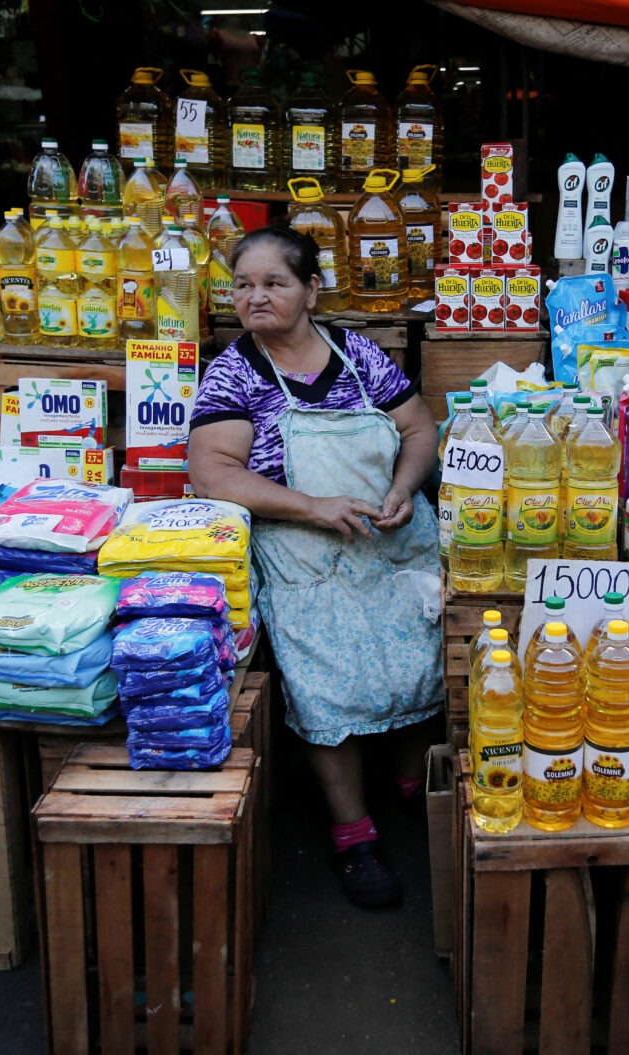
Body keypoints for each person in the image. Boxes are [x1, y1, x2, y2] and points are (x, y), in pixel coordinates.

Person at [189, 226, 444, 908]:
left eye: (275, 282)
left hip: (388, 539)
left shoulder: (356, 356)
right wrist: (309, 505)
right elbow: (212, 473)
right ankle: (353, 830)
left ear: (311, 290)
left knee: (420, 659)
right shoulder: (235, 372)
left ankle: (410, 781)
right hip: (304, 553)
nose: (256, 297)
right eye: (243, 284)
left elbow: (419, 429)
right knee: (327, 685)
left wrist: (402, 488)